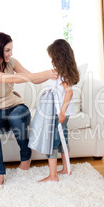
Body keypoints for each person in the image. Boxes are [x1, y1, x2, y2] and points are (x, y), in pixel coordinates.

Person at [0, 32, 58, 192]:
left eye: (11, 49)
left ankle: (25, 156)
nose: (11, 53)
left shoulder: (12, 62)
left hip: (15, 104)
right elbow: (9, 79)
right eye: (7, 50)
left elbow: (32, 78)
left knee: (17, 117)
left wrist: (51, 74)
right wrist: (44, 74)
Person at [38, 39, 80, 182]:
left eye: (52, 58)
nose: (51, 61)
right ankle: (66, 169)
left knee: (52, 143)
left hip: (59, 114)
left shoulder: (62, 75)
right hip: (62, 114)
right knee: (62, 141)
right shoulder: (63, 73)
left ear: (58, 57)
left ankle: (53, 175)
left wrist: (61, 112)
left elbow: (69, 93)